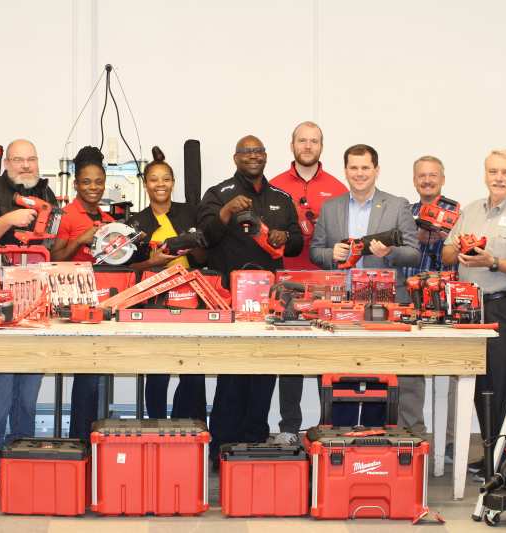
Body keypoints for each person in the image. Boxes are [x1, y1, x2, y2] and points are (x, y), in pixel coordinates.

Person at [198, 135, 302, 467]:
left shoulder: (282, 199)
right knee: (231, 379)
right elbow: (205, 239)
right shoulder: (218, 194)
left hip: (271, 307)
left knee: (263, 377)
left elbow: (298, 243)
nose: (253, 156)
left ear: (266, 156)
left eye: (258, 151)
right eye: (247, 152)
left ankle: (254, 447)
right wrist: (227, 212)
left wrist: (285, 237)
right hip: (229, 301)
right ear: (235, 157)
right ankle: (222, 449)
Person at [441, 149, 506, 480]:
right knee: (478, 381)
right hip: (467, 308)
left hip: (501, 305)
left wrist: (492, 261)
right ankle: (488, 454)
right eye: (493, 171)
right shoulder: (469, 211)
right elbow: (447, 251)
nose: (499, 177)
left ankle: (504, 461)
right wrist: (463, 252)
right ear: (485, 174)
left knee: (501, 382)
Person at [310, 144, 420, 427]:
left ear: (376, 170)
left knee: (382, 372)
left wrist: (389, 254)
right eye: (353, 168)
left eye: (365, 168)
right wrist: (329, 255)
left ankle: (379, 433)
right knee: (340, 370)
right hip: (341, 303)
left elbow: (413, 253)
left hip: (384, 303)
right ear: (345, 170)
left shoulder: (397, 205)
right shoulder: (331, 207)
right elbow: (315, 251)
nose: (359, 174)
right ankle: (339, 434)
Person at [0, 139, 56, 468]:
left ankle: (24, 441)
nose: (26, 166)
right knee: (1, 375)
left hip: (36, 295)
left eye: (31, 159)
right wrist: (9, 220)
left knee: (31, 374)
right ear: (6, 162)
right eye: (19, 160)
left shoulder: (45, 193)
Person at [269, 121, 347, 445]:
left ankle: (327, 427)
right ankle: (289, 427)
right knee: (291, 358)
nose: (308, 146)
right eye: (303, 140)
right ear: (292, 145)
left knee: (326, 358)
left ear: (321, 147)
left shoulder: (338, 188)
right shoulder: (273, 186)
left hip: (325, 281)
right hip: (285, 281)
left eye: (314, 141)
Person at [128, 146, 208, 420]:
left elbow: (206, 256)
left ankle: (188, 426)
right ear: (145, 184)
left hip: (192, 300)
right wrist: (154, 260)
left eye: (166, 179)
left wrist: (191, 246)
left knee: (193, 375)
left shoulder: (191, 213)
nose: (160, 184)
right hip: (155, 303)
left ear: (173, 182)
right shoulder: (136, 222)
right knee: (158, 372)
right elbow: (129, 267)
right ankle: (157, 427)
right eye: (154, 179)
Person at [50, 146, 115, 441]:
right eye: (87, 182)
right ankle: (80, 438)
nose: (93, 187)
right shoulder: (65, 215)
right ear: (76, 184)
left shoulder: (108, 219)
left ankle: (97, 435)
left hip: (103, 303)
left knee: (100, 373)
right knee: (87, 375)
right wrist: (82, 238)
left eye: (98, 182)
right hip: (72, 306)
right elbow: (54, 258)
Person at [400, 156, 458, 441]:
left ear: (443, 178)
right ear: (414, 180)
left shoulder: (457, 211)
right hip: (409, 299)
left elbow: (460, 252)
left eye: (433, 175)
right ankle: (413, 433)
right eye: (421, 176)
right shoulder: (406, 211)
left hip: (445, 300)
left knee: (454, 374)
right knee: (409, 369)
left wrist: (440, 238)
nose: (427, 180)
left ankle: (450, 441)